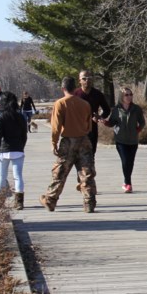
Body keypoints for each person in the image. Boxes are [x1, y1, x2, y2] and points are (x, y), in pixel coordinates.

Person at [40, 76, 97, 213]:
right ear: (75, 88)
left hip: (68, 141)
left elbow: (56, 127)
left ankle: (50, 200)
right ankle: (89, 203)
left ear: (63, 88)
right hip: (84, 140)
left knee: (60, 172)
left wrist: (54, 143)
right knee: (86, 173)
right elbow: (89, 126)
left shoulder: (60, 103)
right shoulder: (85, 104)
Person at [103, 87, 146, 193]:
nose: (129, 97)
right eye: (126, 95)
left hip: (133, 140)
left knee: (130, 162)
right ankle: (128, 183)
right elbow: (112, 122)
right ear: (121, 97)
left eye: (130, 94)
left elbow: (142, 122)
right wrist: (104, 122)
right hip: (120, 140)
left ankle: (127, 182)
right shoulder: (116, 109)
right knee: (125, 161)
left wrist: (137, 131)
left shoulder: (137, 109)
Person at [0, 91, 28, 210]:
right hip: (17, 149)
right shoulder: (20, 116)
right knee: (18, 177)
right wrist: (21, 147)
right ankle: (19, 202)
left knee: (2, 176)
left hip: (3, 150)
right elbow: (24, 135)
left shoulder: (1, 116)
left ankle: (0, 202)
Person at [73, 70, 111, 159]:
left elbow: (107, 110)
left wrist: (99, 117)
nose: (87, 80)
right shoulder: (75, 94)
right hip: (77, 130)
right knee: (78, 157)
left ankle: (89, 172)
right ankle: (82, 172)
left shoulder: (97, 94)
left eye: (89, 78)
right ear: (79, 80)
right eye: (84, 78)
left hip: (92, 129)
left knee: (91, 154)